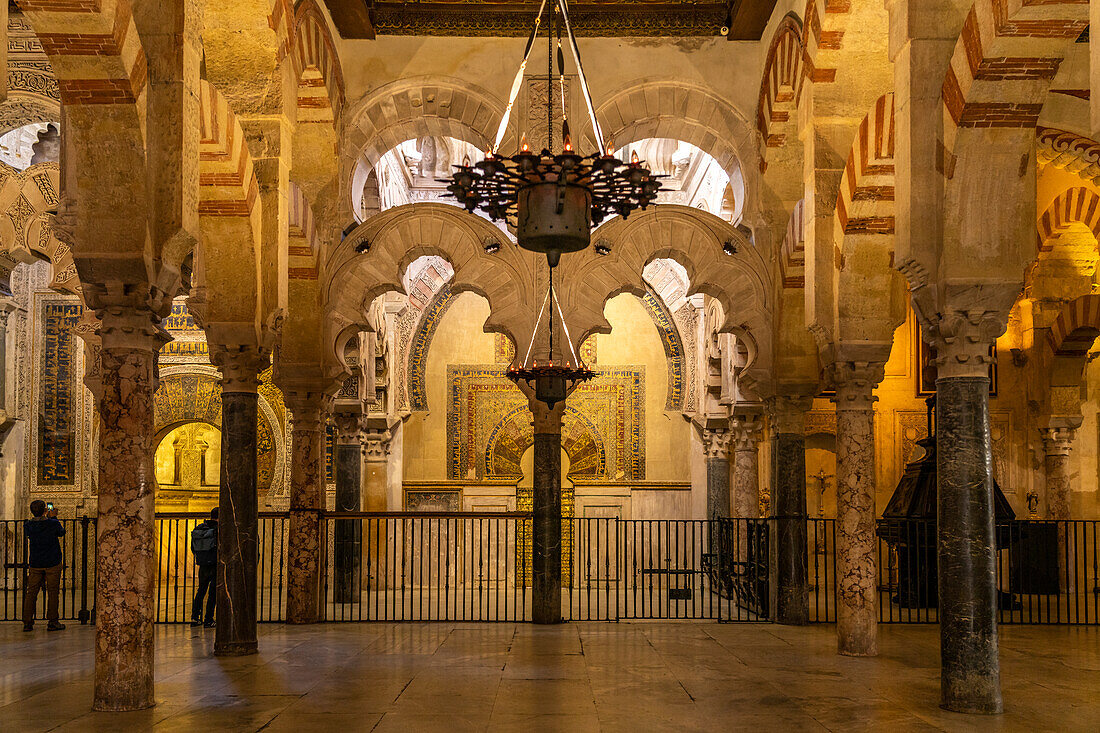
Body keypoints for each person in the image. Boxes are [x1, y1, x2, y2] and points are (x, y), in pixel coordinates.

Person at [23, 500, 66, 632]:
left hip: (36, 563)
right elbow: (61, 532)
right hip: (52, 562)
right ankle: (53, 621)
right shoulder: (52, 523)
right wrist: (53, 517)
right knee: (53, 592)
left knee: (31, 593)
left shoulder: (28, 525)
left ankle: (27, 622)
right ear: (45, 510)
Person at [190, 507, 218, 628]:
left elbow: (193, 548)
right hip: (215, 564)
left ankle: (195, 618)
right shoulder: (218, 529)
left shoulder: (199, 528)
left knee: (201, 591)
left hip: (202, 564)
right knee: (213, 593)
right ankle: (208, 619)